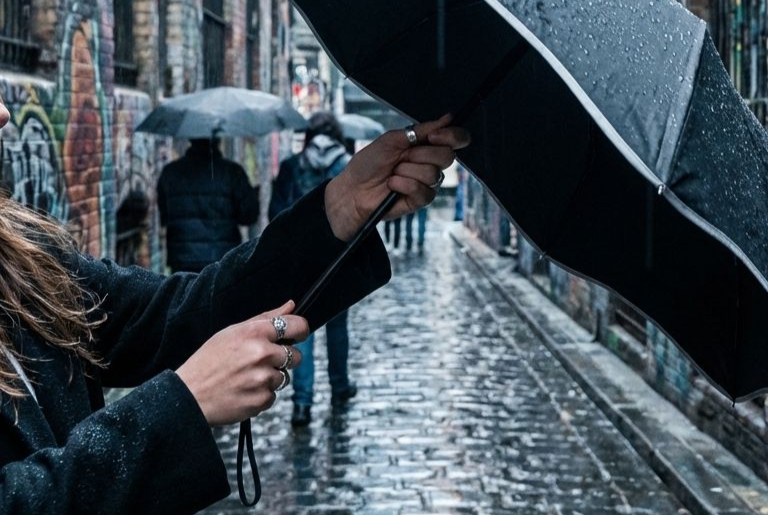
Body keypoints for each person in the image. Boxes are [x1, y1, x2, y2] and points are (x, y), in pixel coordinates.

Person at [0, 91, 467, 514]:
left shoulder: (25, 256)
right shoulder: (230, 173)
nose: (3, 113)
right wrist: (182, 403)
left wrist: (342, 207)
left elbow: (180, 313)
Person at [269, 112, 354, 427]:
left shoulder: (292, 166)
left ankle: (302, 405)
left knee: (301, 333)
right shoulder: (348, 166)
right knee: (337, 328)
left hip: (300, 264)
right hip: (340, 262)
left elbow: (276, 213)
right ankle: (340, 386)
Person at [157, 136, 259, 272]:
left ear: (191, 139)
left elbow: (164, 215)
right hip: (223, 260)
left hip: (183, 259)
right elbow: (249, 216)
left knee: (186, 293)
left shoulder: (170, 172)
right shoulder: (233, 172)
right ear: (218, 140)